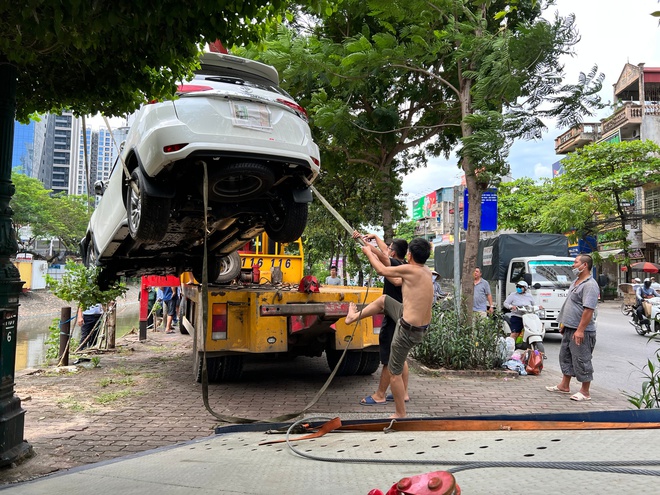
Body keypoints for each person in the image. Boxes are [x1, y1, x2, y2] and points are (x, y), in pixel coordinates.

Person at [345, 237, 433, 418]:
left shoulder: (410, 269)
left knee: (394, 373)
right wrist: (372, 244)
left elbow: (381, 269)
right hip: (415, 322)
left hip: (408, 329)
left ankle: (400, 413)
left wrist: (369, 252)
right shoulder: (425, 271)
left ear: (409, 255)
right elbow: (391, 268)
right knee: (384, 300)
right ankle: (353, 317)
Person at [352, 231, 409, 406]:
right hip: (403, 315)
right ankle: (403, 394)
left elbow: (382, 260)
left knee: (388, 359)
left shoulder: (394, 266)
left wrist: (369, 251)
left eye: (389, 248)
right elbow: (383, 251)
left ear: (393, 253)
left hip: (393, 317)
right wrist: (372, 238)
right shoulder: (404, 264)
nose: (387, 249)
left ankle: (380, 394)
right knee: (401, 356)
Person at [545, 254, 599, 401]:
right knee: (565, 356)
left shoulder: (590, 285)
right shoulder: (576, 281)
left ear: (585, 265)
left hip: (581, 330)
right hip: (569, 327)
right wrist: (563, 323)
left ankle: (585, 391)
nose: (573, 265)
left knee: (582, 359)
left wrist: (580, 330)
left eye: (576, 262)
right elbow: (569, 304)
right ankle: (564, 385)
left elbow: (588, 310)